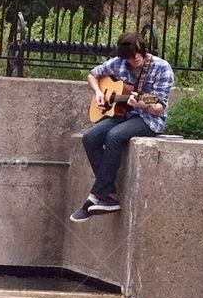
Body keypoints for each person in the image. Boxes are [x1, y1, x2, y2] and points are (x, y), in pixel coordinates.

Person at [69, 31, 175, 222]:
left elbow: (159, 108)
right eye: (129, 57)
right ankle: (110, 194)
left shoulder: (161, 68)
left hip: (148, 119)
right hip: (122, 114)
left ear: (143, 49)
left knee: (114, 136)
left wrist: (143, 104)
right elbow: (92, 75)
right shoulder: (118, 63)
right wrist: (99, 93)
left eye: (138, 54)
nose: (135, 59)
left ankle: (96, 196)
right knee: (90, 138)